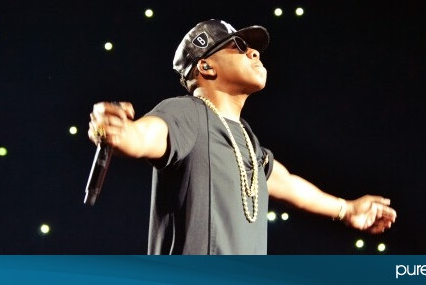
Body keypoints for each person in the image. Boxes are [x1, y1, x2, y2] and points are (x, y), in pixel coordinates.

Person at [88, 19, 397, 254]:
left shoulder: (246, 140)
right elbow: (147, 135)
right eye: (236, 46)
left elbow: (287, 184)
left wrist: (347, 209)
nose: (253, 51)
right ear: (206, 66)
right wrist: (120, 131)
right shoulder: (188, 113)